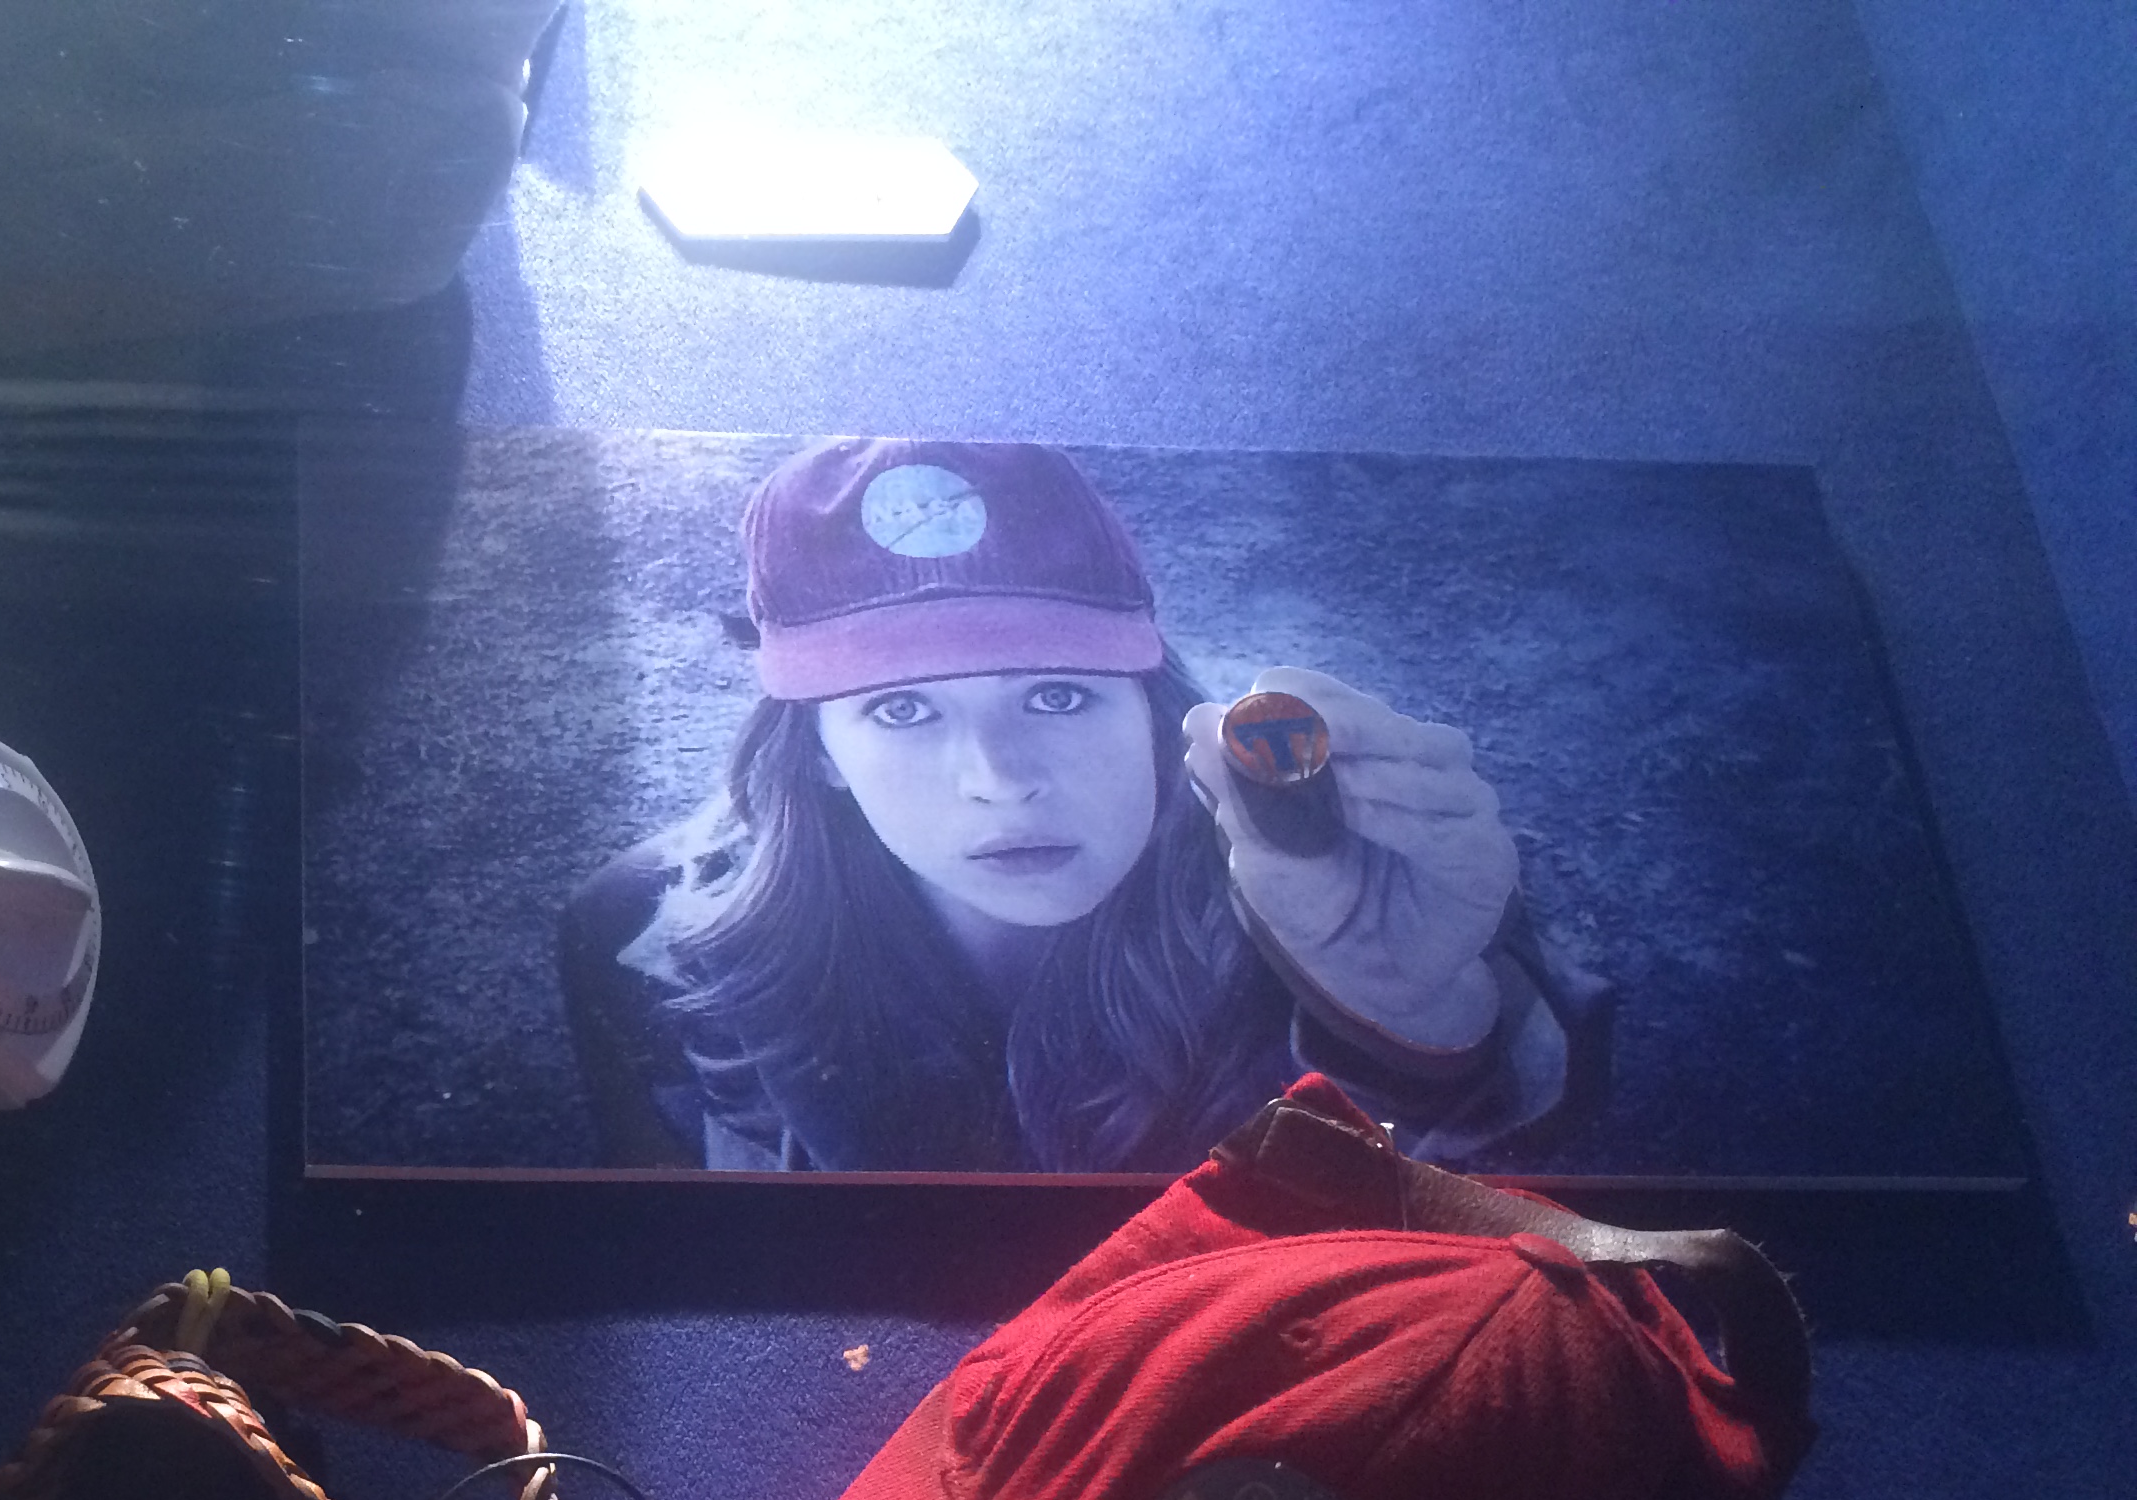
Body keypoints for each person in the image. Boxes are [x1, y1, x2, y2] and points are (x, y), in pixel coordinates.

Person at [560, 439, 1608, 1172]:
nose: (1000, 777)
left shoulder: (1357, 881)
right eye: (902, 708)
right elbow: (679, 1279)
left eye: (1058, 695)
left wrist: (1414, 1022)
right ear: (819, 752)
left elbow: (1505, 1257)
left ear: (1152, 708)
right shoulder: (651, 944)